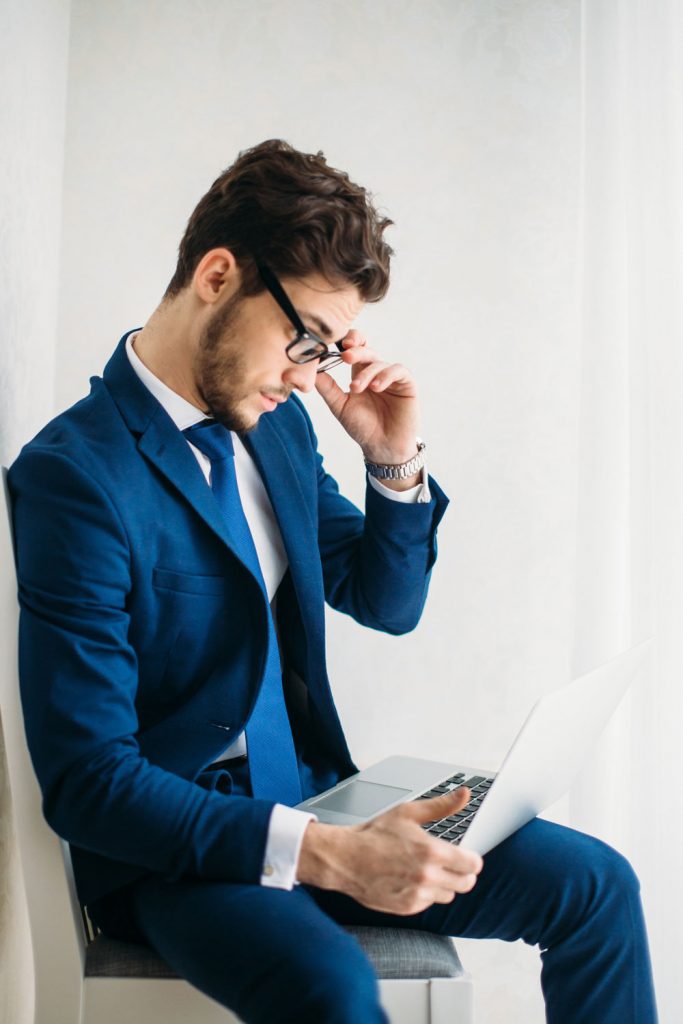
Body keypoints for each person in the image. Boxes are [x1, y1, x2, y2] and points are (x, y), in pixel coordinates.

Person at [9, 139, 657, 1024]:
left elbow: (387, 604)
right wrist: (319, 852)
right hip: (184, 851)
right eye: (304, 340)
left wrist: (391, 464)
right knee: (333, 988)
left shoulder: (274, 427)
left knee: (594, 885)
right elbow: (88, 782)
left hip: (318, 791)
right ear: (217, 275)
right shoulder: (75, 474)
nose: (311, 375)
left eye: (328, 349)